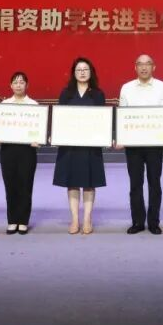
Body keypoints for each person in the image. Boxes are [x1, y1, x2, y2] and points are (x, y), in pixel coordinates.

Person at [117, 54, 163, 235]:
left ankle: (154, 222)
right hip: (133, 144)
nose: (144, 67)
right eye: (140, 64)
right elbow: (123, 116)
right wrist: (121, 137)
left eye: (147, 64)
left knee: (154, 183)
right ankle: (138, 222)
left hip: (155, 143)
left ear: (153, 67)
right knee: (135, 183)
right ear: (135, 67)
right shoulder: (126, 88)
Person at [53, 57, 106, 235]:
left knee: (90, 183)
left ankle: (87, 218)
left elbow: (103, 120)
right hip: (70, 145)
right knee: (72, 182)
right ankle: (75, 219)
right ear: (74, 73)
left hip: (91, 145)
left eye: (85, 69)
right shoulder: (66, 93)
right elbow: (60, 118)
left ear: (91, 72)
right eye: (79, 70)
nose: (82, 72)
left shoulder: (97, 94)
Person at [0, 72, 40, 235]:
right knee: (10, 185)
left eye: (21, 82)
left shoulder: (34, 105)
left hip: (27, 151)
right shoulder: (4, 104)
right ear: (10, 86)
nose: (18, 85)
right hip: (8, 150)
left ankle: (23, 220)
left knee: (25, 184)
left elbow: (38, 128)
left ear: (27, 85)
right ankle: (12, 220)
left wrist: (37, 139)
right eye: (15, 82)